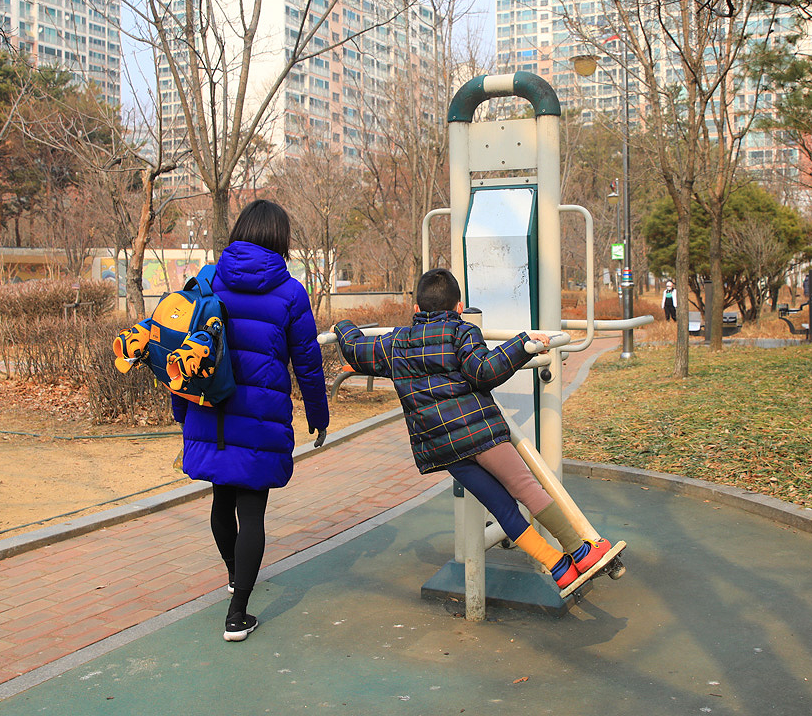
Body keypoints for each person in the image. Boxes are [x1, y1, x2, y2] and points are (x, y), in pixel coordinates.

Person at [333, 268, 612, 593]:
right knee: (525, 488)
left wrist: (342, 326)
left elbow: (354, 348)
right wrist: (523, 343)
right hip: (480, 432)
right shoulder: (461, 331)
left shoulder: (394, 342)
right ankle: (580, 552)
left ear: (416, 309)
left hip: (444, 448)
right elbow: (484, 372)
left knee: (502, 508)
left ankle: (558, 566)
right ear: (460, 307)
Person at [171, 200, 329, 642]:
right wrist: (318, 415)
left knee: (221, 501)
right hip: (260, 417)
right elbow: (308, 364)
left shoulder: (208, 279)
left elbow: (180, 348)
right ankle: (237, 614)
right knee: (252, 511)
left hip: (212, 411)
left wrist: (181, 411)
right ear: (280, 238)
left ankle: (233, 576)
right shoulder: (290, 293)